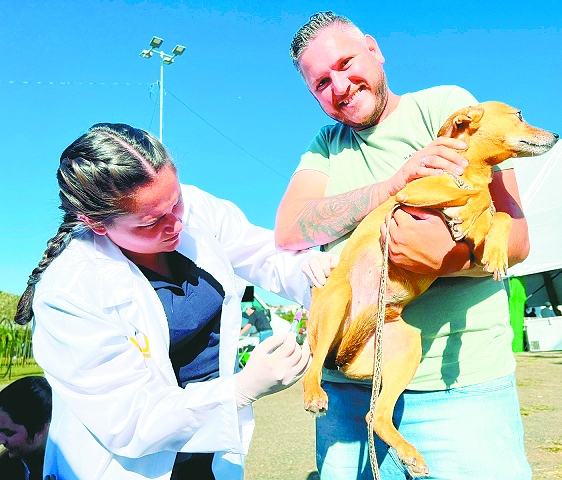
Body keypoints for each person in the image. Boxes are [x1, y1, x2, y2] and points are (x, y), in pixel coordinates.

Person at [275, 12, 532, 480]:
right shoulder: (325, 146)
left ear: (374, 49)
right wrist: (393, 186)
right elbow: (289, 231)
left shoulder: (447, 109)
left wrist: (441, 256)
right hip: (345, 392)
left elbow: (515, 239)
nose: (340, 85)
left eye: (346, 62)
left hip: (458, 391)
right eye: (320, 83)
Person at [14, 123, 336, 480]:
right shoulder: (69, 292)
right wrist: (240, 389)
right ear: (96, 223)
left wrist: (308, 268)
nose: (177, 223)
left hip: (210, 449)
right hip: (132, 463)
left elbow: (260, 253)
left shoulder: (186, 208)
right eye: (151, 222)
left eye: (177, 200)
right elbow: (130, 419)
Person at [0, 376, 51, 480]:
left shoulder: (68, 470)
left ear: (41, 428)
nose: (1, 440)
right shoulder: (6, 466)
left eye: (9, 433)